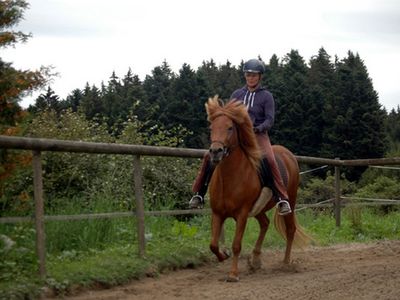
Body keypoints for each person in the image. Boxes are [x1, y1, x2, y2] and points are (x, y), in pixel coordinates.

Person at [188, 59, 291, 216]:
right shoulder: (237, 94)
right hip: (237, 136)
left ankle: (281, 198)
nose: (251, 78)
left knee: (269, 158)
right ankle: (199, 194)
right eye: (248, 75)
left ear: (260, 77)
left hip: (258, 135)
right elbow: (229, 116)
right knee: (209, 156)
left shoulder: (266, 96)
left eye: (254, 75)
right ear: (245, 76)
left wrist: (259, 128)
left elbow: (270, 119)